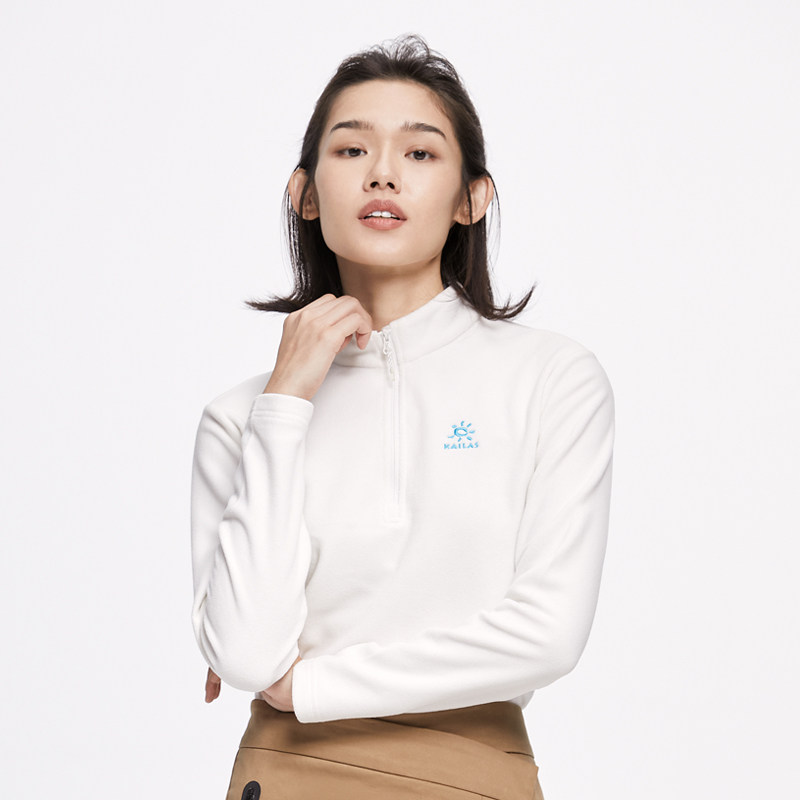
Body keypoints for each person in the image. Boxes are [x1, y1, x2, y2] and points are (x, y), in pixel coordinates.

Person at [189, 33, 614, 800]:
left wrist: (309, 686)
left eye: (419, 153)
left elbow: (548, 634)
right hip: (286, 775)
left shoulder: (551, 379)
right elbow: (248, 656)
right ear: (305, 193)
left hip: (474, 774)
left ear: (471, 198)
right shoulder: (243, 416)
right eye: (351, 150)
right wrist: (284, 405)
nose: (382, 172)